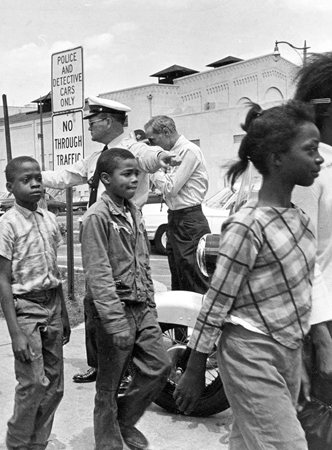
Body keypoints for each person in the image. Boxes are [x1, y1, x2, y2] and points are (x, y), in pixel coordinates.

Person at [175, 101, 324, 450]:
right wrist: (195, 366)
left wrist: (296, 360)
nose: (320, 159)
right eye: (310, 150)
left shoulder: (299, 219)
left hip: (284, 352)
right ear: (276, 158)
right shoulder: (248, 223)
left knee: (247, 442)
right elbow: (218, 298)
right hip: (249, 352)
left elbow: (300, 294)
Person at [44, 96, 175, 384]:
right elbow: (66, 176)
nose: (89, 127)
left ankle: (123, 368)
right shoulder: (96, 157)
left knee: (122, 295)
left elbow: (149, 156)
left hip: (124, 231)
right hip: (100, 226)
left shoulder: (133, 148)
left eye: (92, 121)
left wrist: (161, 158)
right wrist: (32, 175)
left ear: (107, 121)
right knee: (95, 296)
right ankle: (99, 363)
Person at [80, 148, 169, 450]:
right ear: (106, 179)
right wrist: (115, 322)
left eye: (137, 173)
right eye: (127, 174)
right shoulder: (97, 217)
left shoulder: (134, 211)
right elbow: (98, 273)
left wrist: (151, 306)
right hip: (112, 309)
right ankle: (108, 443)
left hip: (140, 305)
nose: (134, 178)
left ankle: (124, 420)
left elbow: (142, 261)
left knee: (159, 366)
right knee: (109, 383)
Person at [0, 156, 71, 450]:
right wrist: (15, 334)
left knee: (56, 385)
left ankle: (37, 442)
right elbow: (2, 279)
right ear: (10, 186)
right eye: (27, 180)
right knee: (33, 383)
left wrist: (62, 313)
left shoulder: (49, 220)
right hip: (25, 309)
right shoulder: (6, 224)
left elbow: (55, 271)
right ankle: (17, 442)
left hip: (51, 306)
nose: (35, 184)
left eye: (38, 177)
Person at [292, 51, 332, 449]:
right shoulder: (310, 168)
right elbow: (300, 257)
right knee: (319, 419)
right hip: (319, 319)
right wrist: (320, 334)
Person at [145, 115, 211, 293]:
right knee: (178, 277)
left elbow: (170, 188)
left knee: (194, 277)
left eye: (152, 140)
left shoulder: (190, 151)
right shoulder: (170, 154)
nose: (151, 145)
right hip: (175, 218)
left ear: (166, 132)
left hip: (190, 219)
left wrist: (153, 169)